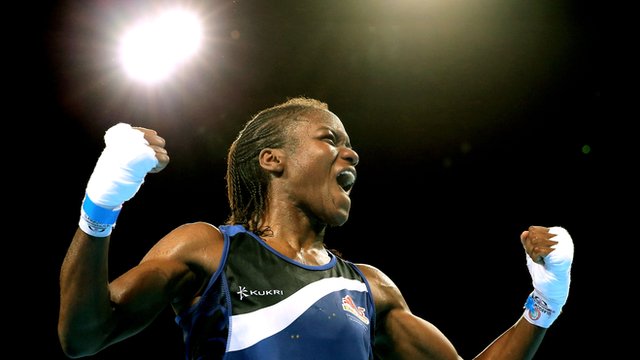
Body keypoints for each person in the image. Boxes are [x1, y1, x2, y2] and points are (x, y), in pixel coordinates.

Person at [58, 97, 574, 360]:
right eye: (330, 138)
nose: (351, 152)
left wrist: (545, 303)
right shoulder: (208, 248)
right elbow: (83, 337)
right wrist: (101, 205)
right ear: (272, 160)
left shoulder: (369, 287)